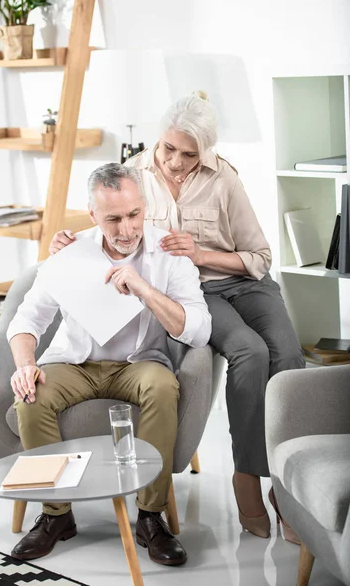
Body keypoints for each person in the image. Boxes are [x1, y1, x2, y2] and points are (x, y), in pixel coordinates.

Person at [49, 92, 305, 542]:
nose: (174, 161)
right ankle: (247, 476)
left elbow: (259, 256)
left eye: (189, 154)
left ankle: (288, 488)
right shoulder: (135, 174)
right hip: (195, 291)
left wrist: (204, 252)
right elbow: (108, 221)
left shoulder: (223, 178)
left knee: (287, 356)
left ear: (204, 151)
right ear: (158, 139)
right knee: (249, 351)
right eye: (169, 148)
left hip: (243, 281)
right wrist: (65, 243)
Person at [7, 162, 211, 565]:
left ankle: (150, 517)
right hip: (76, 364)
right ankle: (56, 516)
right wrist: (24, 365)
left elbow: (200, 331)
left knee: (162, 386)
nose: (126, 229)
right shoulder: (70, 252)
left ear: (144, 206)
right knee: (30, 396)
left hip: (140, 365)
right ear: (92, 215)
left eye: (134, 214)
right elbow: (26, 319)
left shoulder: (167, 253)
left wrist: (143, 289)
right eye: (113, 218)